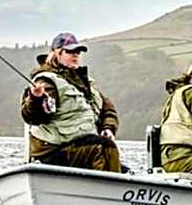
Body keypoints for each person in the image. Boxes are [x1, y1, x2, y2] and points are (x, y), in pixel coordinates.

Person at [20, 32, 121, 172]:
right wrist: (36, 98)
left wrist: (108, 128)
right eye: (70, 51)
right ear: (57, 53)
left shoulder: (85, 84)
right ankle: (107, 190)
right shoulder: (46, 81)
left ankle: (108, 190)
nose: (76, 55)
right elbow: (33, 117)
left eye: (78, 51)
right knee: (104, 148)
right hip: (54, 150)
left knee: (122, 167)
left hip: (81, 147)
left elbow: (108, 108)